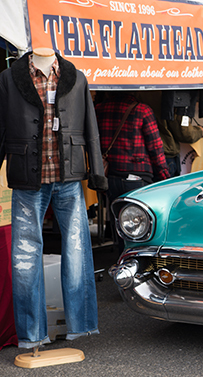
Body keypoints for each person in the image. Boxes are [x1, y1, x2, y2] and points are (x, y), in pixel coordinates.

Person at [0, 49, 107, 350]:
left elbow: (91, 128)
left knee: (77, 251)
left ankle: (81, 325)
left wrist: (97, 173)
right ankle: (31, 334)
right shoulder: (9, 79)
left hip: (68, 176)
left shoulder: (77, 78)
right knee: (25, 256)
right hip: (27, 177)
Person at [94, 92, 169, 248]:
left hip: (110, 175)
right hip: (138, 177)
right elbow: (156, 148)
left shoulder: (99, 109)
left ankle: (121, 258)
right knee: (142, 229)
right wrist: (165, 177)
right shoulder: (142, 110)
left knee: (119, 227)